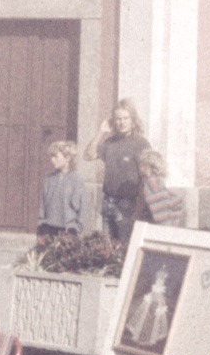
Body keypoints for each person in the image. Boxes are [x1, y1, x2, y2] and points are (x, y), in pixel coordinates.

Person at [84, 99, 150, 246]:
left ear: (133, 120)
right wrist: (101, 132)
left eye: (126, 118)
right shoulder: (110, 142)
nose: (122, 122)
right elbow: (88, 155)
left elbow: (147, 176)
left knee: (125, 247)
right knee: (108, 248)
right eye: (118, 119)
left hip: (128, 205)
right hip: (109, 202)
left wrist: (138, 209)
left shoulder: (141, 144)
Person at [36, 140, 86, 242]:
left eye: (56, 157)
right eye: (51, 157)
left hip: (68, 230)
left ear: (67, 158)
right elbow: (43, 204)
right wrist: (41, 224)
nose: (52, 160)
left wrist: (77, 228)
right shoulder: (49, 179)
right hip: (49, 228)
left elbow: (82, 207)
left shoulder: (76, 180)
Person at [136, 149, 185, 229]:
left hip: (159, 228)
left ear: (148, 166)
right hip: (169, 225)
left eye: (141, 164)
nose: (139, 168)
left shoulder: (151, 184)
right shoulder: (159, 182)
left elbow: (159, 210)